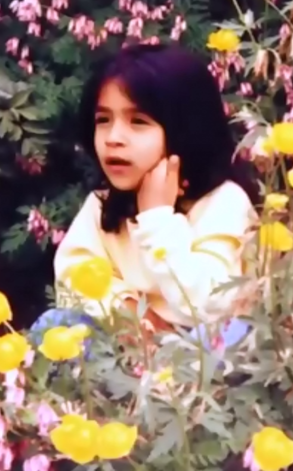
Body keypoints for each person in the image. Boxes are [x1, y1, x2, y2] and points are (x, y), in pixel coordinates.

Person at [29, 44, 260, 352]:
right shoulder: (103, 205)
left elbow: (211, 305)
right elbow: (74, 276)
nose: (113, 138)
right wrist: (133, 314)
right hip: (131, 348)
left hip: (205, 363)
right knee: (56, 325)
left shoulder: (224, 202)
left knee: (236, 334)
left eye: (138, 122)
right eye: (103, 120)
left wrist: (157, 219)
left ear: (186, 130)